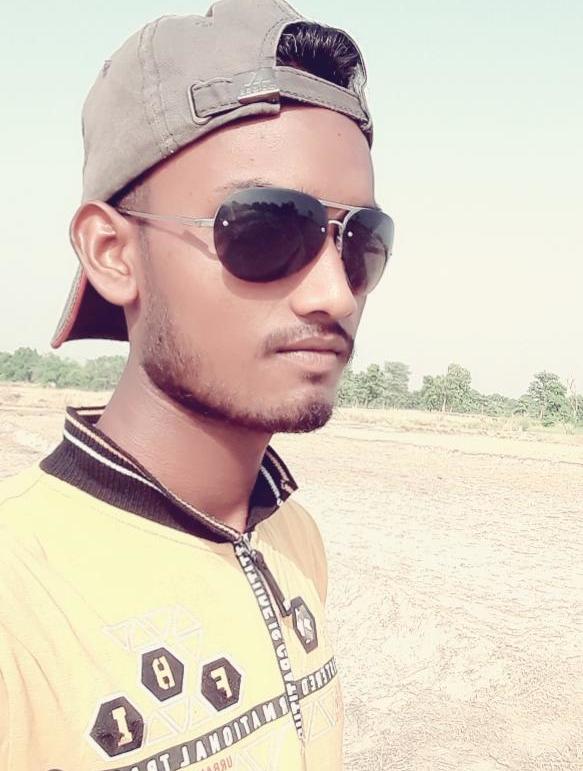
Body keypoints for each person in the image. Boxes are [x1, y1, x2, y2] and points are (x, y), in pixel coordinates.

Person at [0, 0, 394, 768]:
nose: (334, 293)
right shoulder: (17, 597)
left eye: (361, 242)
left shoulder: (292, 536)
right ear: (112, 252)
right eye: (266, 228)